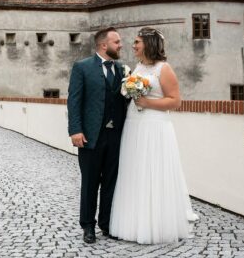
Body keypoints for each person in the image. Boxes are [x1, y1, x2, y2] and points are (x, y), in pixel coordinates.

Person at [109, 27, 197, 244]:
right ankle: (133, 223)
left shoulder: (163, 69)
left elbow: (175, 101)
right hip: (134, 124)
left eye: (137, 42)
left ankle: (157, 224)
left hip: (155, 126)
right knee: (135, 170)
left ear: (148, 44)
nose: (133, 46)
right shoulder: (137, 67)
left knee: (154, 170)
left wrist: (148, 102)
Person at [67, 27, 128, 244]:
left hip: (116, 135)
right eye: (117, 42)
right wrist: (75, 130)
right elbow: (74, 100)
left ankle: (106, 223)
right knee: (90, 182)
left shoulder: (122, 70)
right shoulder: (82, 67)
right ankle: (88, 226)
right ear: (104, 45)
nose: (121, 45)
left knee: (111, 182)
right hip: (90, 135)